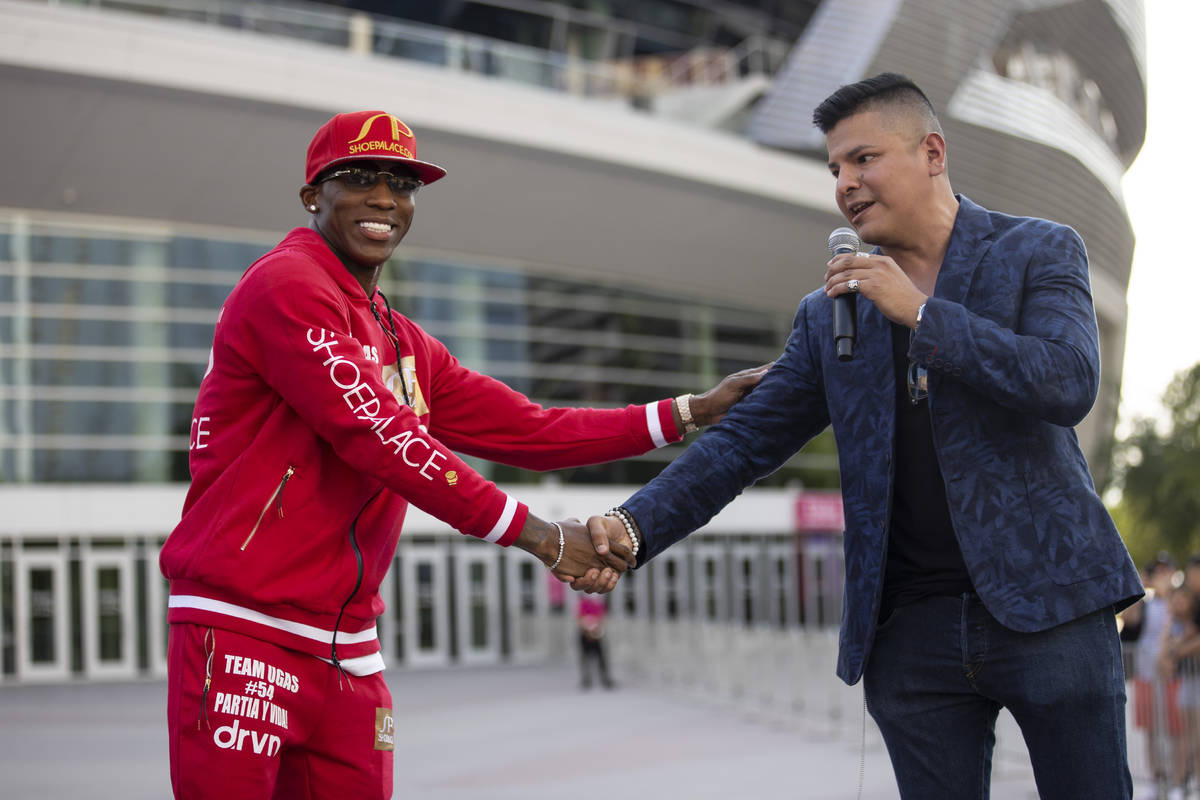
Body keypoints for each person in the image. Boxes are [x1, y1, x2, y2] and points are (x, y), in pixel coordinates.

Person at [159, 109, 766, 799]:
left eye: (402, 183)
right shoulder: (286, 287)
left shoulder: (402, 340)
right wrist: (541, 538)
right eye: (358, 178)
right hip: (245, 626)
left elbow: (531, 430)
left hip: (348, 648)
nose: (385, 198)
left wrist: (689, 412)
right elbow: (382, 438)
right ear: (312, 196)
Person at [586, 73, 1143, 798]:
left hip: (1053, 611)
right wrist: (631, 528)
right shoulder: (828, 315)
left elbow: (1067, 382)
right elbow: (741, 445)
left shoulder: (1038, 251)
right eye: (835, 169)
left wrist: (922, 314)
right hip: (911, 635)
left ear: (932, 153)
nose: (845, 183)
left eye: (864, 158)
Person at [576, 594, 614, 689]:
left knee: (601, 657)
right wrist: (587, 631)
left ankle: (604, 678)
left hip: (597, 633)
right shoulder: (584, 603)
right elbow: (580, 618)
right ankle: (587, 679)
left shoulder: (599, 603)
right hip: (585, 633)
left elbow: (601, 617)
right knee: (585, 657)